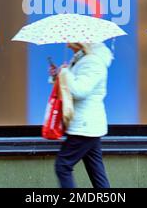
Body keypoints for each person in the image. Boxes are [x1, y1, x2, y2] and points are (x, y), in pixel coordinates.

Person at [49, 42, 113, 188]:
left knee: (63, 166)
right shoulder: (80, 58)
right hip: (87, 125)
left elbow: (79, 91)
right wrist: (57, 75)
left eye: (70, 40)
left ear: (80, 41)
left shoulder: (92, 62)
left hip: (85, 125)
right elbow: (68, 87)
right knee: (96, 172)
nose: (67, 45)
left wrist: (64, 73)